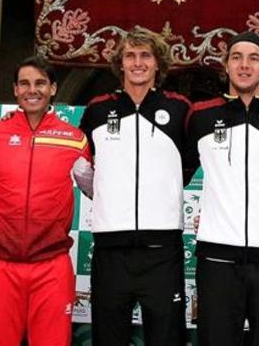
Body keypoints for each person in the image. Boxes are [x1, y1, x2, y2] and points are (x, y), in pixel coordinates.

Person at [184, 31, 259, 346]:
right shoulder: (200, 115)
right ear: (225, 66)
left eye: (254, 58)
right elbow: (175, 172)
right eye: (237, 57)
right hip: (218, 257)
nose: (245, 65)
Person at [79, 27, 193, 345]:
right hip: (110, 250)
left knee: (167, 338)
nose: (138, 63)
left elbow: (193, 161)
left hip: (163, 251)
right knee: (109, 338)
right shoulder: (97, 109)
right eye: (130, 56)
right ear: (121, 64)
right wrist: (104, 195)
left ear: (158, 64)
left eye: (145, 55)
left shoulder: (180, 108)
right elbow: (81, 166)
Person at [0, 56, 94, 346]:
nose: (33, 90)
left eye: (40, 83)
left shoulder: (74, 138)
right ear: (15, 89)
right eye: (25, 83)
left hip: (51, 265)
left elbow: (94, 189)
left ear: (53, 88)